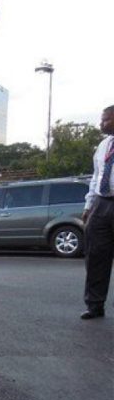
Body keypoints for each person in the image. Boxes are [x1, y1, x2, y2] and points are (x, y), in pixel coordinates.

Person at [81, 104, 114, 319]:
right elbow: (96, 177)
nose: (101, 124)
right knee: (96, 256)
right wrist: (89, 205)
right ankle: (95, 305)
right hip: (102, 204)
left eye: (106, 119)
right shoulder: (104, 145)